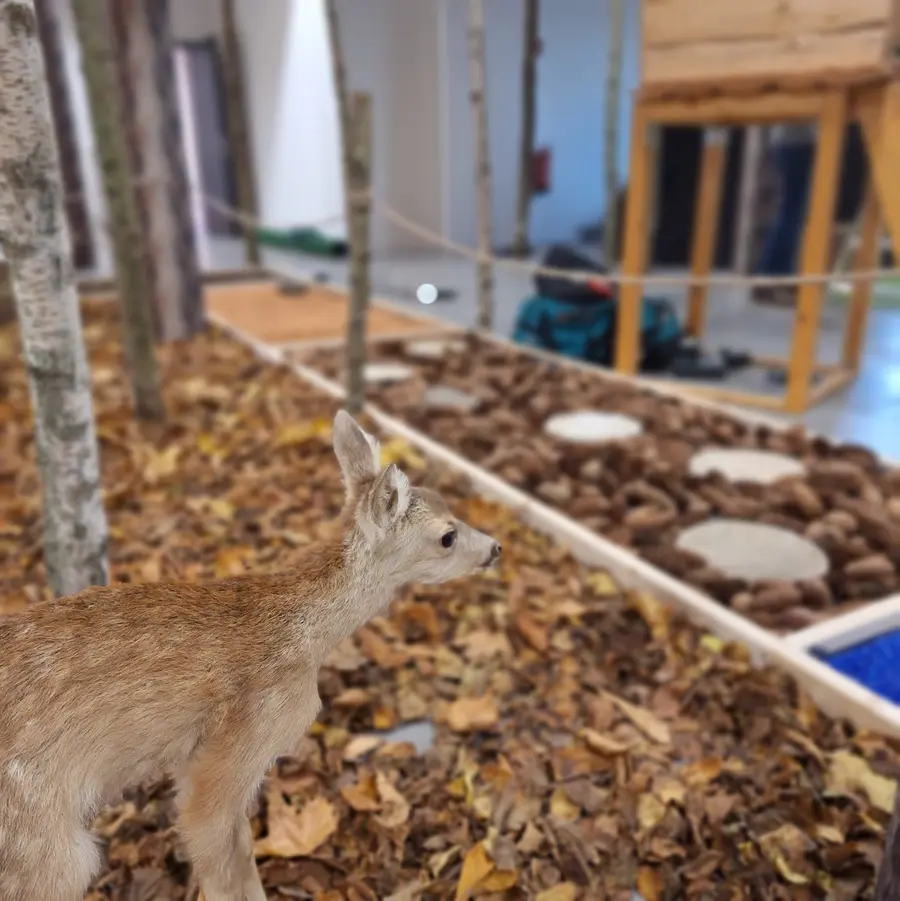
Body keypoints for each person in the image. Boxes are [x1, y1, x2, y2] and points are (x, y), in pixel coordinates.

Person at [752, 123, 817, 307]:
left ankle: (779, 276)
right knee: (791, 214)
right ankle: (770, 277)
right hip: (798, 142)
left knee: (792, 214)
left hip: (795, 142)